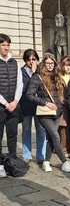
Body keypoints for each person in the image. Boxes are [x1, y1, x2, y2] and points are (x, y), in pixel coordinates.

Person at [26, 53, 70, 173]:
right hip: (44, 114)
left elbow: (60, 94)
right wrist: (45, 103)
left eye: (52, 63)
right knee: (56, 136)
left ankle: (46, 162)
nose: (50, 65)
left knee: (52, 138)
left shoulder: (56, 76)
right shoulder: (37, 77)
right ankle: (64, 162)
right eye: (47, 63)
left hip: (57, 112)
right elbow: (29, 95)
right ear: (43, 64)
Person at [0, 34, 23, 177]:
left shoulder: (15, 63)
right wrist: (5, 103)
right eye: (3, 45)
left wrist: (15, 101)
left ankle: (12, 162)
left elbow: (19, 84)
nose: (6, 47)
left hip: (14, 106)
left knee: (12, 136)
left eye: (7, 44)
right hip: (1, 106)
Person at [20, 49, 46, 164]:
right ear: (25, 60)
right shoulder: (21, 72)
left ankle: (41, 155)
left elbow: (43, 86)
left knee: (41, 130)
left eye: (33, 59)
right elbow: (23, 89)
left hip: (38, 105)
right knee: (26, 130)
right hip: (25, 104)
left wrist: (36, 73)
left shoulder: (41, 72)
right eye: (29, 59)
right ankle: (26, 154)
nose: (31, 62)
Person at [57, 55, 70, 158]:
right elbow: (58, 91)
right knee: (63, 129)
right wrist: (62, 100)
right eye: (66, 65)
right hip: (63, 106)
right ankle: (63, 150)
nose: (68, 68)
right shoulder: (59, 77)